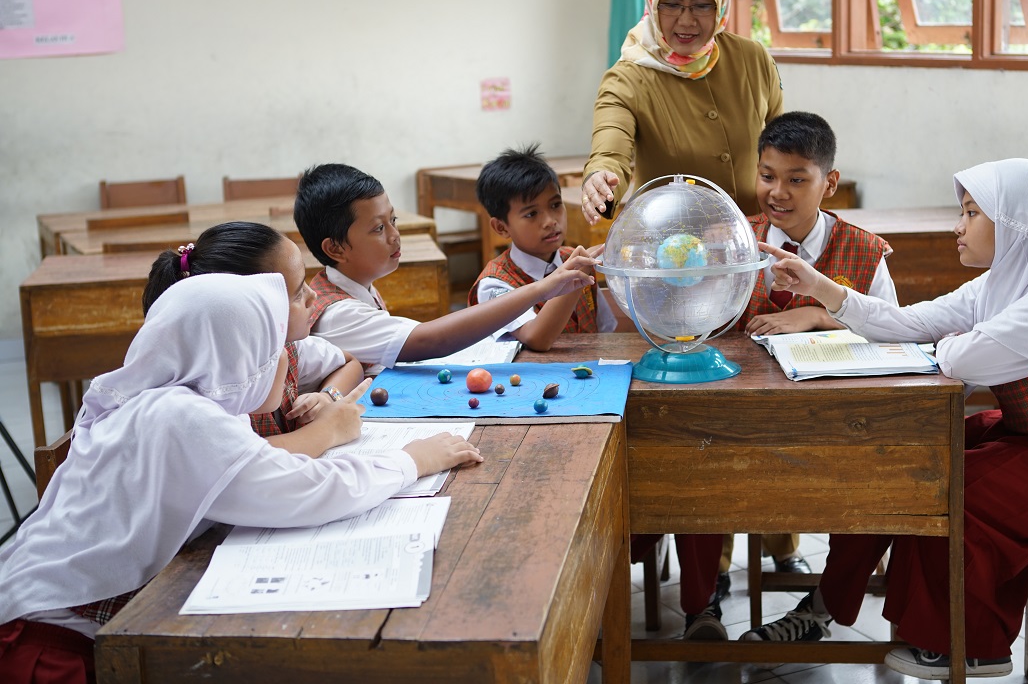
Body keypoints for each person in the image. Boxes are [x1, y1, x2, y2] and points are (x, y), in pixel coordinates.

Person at [743, 158, 1028, 680]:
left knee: (947, 490)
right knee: (901, 457)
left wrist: (948, 341)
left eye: (971, 213)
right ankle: (826, 604)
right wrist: (820, 287)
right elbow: (908, 322)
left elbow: (963, 359)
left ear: (1013, 222)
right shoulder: (1000, 284)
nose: (957, 227)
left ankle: (971, 647)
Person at [0, 273, 482, 683]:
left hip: (52, 620)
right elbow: (306, 489)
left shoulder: (165, 398)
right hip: (49, 646)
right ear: (237, 354)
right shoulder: (182, 417)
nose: (285, 358)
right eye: (273, 347)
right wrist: (412, 460)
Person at [716, 111, 901, 599]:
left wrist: (820, 315)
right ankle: (713, 575)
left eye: (797, 180)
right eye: (767, 176)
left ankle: (828, 572)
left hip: (832, 419)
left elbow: (895, 332)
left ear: (830, 183)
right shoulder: (734, 240)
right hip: (741, 413)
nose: (778, 192)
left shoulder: (865, 251)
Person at [293, 163, 598, 371]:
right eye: (378, 228)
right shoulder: (338, 313)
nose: (395, 235)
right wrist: (544, 288)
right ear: (335, 249)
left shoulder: (358, 288)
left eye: (393, 220)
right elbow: (431, 339)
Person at [581, 0, 784, 226]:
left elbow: (782, 145)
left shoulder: (752, 58)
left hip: (756, 236)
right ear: (652, 2)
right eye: (671, 4)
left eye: (702, 5)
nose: (686, 20)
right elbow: (610, 150)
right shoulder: (626, 78)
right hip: (672, 242)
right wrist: (600, 177)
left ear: (721, 4)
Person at [143, 221, 364, 457]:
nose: (314, 296)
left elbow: (349, 363)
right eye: (298, 292)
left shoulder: (286, 347)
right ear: (249, 311)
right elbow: (240, 460)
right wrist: (327, 430)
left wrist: (327, 396)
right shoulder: (202, 391)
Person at [469, 143, 616, 349]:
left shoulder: (575, 259)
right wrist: (574, 274)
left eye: (555, 205)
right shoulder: (494, 284)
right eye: (531, 214)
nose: (550, 221)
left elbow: (606, 332)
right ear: (501, 227)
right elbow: (536, 338)